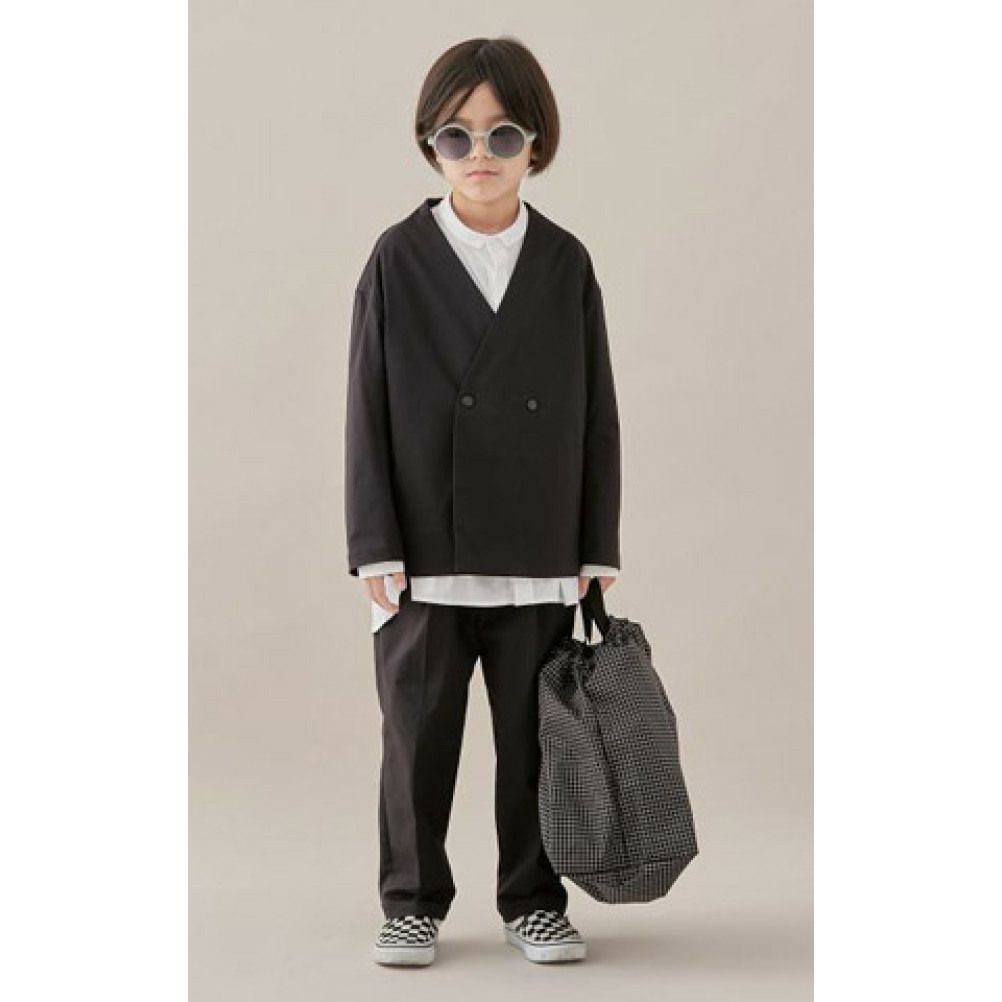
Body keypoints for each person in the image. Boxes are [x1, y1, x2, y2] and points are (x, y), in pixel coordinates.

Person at [344, 36, 623, 967]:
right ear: (431, 146)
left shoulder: (565, 260)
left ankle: (533, 900)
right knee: (415, 741)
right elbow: (366, 405)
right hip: (424, 547)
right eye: (456, 137)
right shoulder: (398, 257)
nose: (481, 155)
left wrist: (595, 543)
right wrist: (375, 542)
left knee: (534, 740)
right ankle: (411, 901)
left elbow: (596, 411)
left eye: (503, 134)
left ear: (536, 142)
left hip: (538, 544)